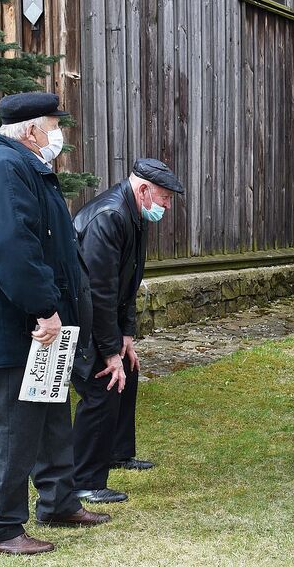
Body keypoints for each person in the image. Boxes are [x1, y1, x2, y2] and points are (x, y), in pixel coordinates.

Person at [0, 92, 110, 555]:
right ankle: (0, 527)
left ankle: (58, 501)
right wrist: (45, 309)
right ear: (30, 131)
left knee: (49, 413)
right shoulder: (5, 169)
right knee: (14, 425)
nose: (58, 134)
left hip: (43, 321)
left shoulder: (27, 168)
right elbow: (12, 250)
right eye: (52, 124)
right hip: (18, 325)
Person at [70, 159, 184, 503]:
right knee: (102, 383)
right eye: (164, 198)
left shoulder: (134, 214)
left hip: (102, 310)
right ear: (144, 190)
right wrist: (109, 351)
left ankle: (118, 452)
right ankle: (84, 480)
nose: (167, 207)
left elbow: (127, 283)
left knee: (128, 372)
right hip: (82, 314)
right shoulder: (109, 217)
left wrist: (127, 339)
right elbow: (99, 292)